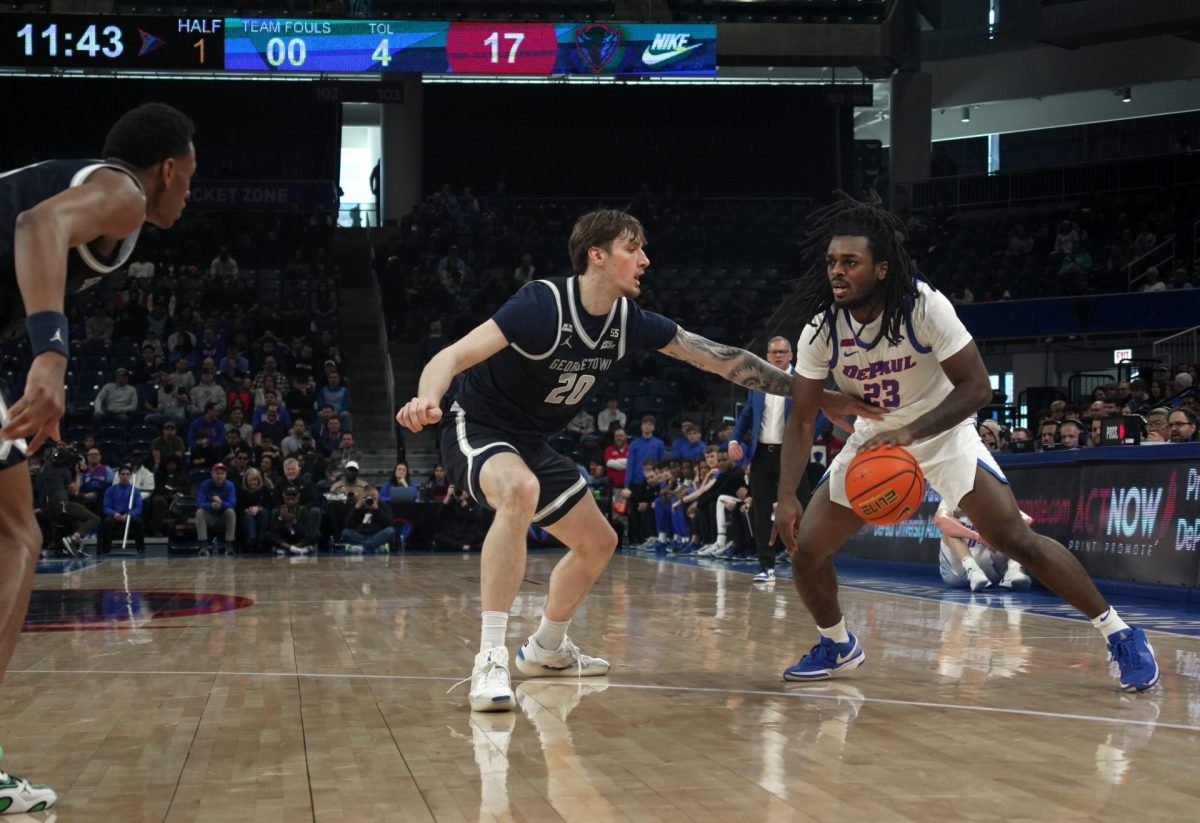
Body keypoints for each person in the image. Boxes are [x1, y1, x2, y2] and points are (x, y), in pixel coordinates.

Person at [395, 208, 873, 713]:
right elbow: (448, 356)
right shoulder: (541, 304)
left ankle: (545, 648)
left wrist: (817, 396)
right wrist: (427, 398)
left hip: (531, 440)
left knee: (599, 542)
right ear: (596, 256)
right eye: (632, 248)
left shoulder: (629, 322)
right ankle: (489, 658)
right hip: (479, 425)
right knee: (520, 491)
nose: (645, 259)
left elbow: (722, 358)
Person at [773, 195, 1159, 692]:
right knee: (806, 550)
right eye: (832, 262)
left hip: (944, 431)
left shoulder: (924, 306)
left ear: (882, 268)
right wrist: (787, 494)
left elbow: (978, 388)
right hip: (875, 441)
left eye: (850, 262)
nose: (837, 272)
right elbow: (802, 418)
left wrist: (912, 432)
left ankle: (1121, 634)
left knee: (1015, 539)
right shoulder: (822, 328)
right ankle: (839, 646)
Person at [0, 101, 193, 812]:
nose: (188, 194)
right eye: (191, 179)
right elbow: (37, 226)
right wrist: (50, 355)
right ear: (169, 169)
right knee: (15, 532)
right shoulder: (124, 192)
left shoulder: (69, 180)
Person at [728, 336, 796, 583]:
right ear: (767, 356)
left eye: (782, 352)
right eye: (773, 352)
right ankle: (765, 566)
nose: (778, 356)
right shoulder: (758, 383)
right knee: (760, 512)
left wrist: (807, 438)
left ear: (791, 355)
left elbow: (817, 416)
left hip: (791, 456)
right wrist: (734, 440)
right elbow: (746, 416)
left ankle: (801, 562)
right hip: (761, 455)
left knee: (802, 508)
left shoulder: (801, 381)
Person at [99, 465, 145, 553]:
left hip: (129, 516)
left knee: (139, 522)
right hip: (115, 516)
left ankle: (141, 549)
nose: (125, 476)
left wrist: (129, 514)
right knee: (107, 521)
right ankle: (106, 550)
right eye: (123, 474)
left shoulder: (135, 490)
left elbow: (139, 507)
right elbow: (106, 507)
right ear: (118, 475)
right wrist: (114, 514)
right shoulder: (110, 490)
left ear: (130, 476)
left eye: (127, 474)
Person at [195, 463, 237, 555]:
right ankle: (204, 546)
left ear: (225, 475)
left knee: (230, 512)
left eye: (222, 473)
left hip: (223, 517)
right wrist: (211, 505)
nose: (220, 476)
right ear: (212, 474)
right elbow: (199, 503)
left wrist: (221, 503)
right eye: (217, 473)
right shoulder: (205, 485)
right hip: (210, 516)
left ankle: (229, 545)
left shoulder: (230, 485)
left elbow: (232, 504)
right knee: (200, 512)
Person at [340, 488, 396, 553]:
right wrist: (356, 508)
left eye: (373, 496)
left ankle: (362, 548)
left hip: (377, 535)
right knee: (345, 532)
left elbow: (389, 523)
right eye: (367, 497)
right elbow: (347, 523)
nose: (371, 498)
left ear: (378, 495)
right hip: (360, 535)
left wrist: (376, 509)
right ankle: (375, 547)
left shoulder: (384, 506)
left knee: (390, 531)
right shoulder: (360, 506)